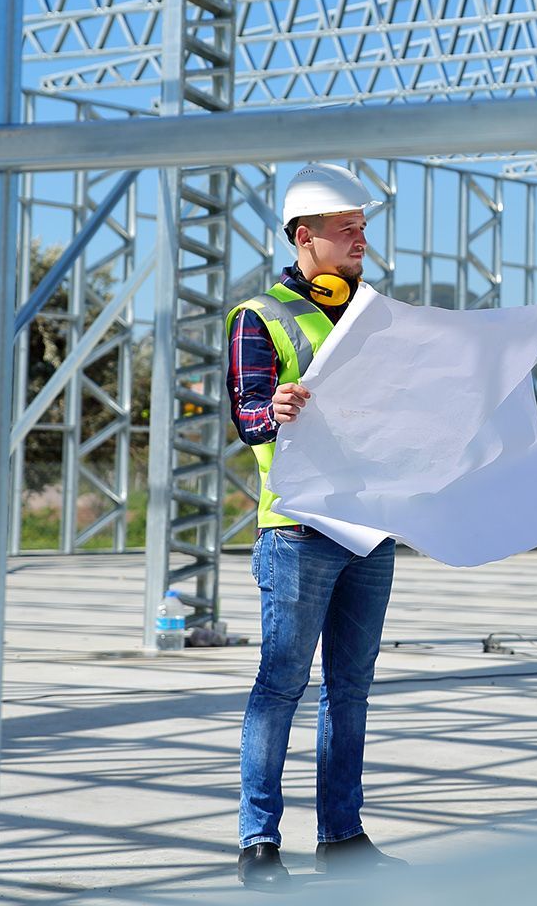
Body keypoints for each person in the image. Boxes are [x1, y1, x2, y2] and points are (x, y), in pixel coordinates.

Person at [225, 162, 406, 891]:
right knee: (280, 686)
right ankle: (259, 845)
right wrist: (279, 411)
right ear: (305, 239)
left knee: (351, 689)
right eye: (347, 229)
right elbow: (248, 415)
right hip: (298, 531)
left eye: (364, 228)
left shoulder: (379, 317)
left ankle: (343, 835)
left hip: (369, 530)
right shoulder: (260, 316)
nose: (362, 239)